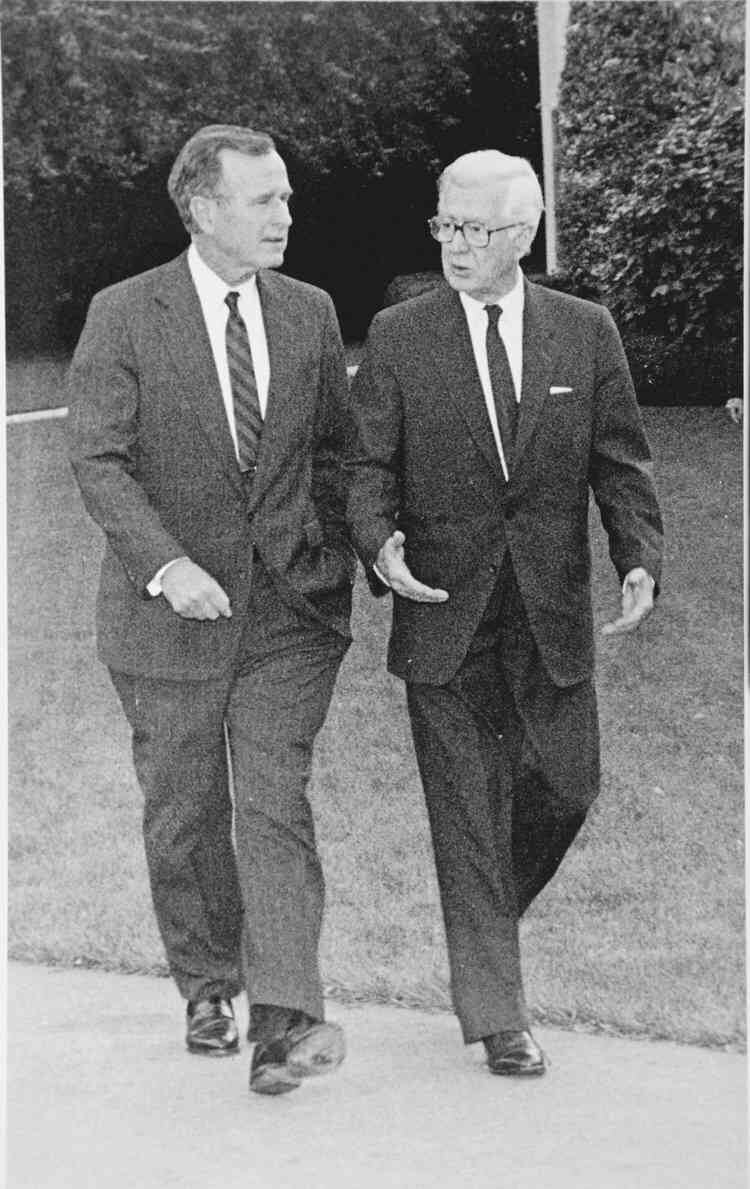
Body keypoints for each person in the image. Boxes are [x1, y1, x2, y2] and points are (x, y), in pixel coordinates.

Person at [346, 150, 663, 1077]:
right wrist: (379, 542)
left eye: (477, 229)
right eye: (445, 223)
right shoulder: (401, 335)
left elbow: (621, 461)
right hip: (443, 613)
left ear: (522, 235)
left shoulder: (585, 332)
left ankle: (479, 923)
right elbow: (365, 466)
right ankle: (498, 1012)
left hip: (549, 612)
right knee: (467, 817)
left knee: (568, 785)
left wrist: (638, 558)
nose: (455, 243)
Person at [67, 124, 356, 1096]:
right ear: (202, 208)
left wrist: (355, 539)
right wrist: (167, 564)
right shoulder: (123, 314)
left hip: (288, 611)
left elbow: (338, 454)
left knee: (274, 798)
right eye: (263, 199)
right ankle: (207, 980)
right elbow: (98, 459)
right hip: (169, 617)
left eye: (285, 198)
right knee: (185, 809)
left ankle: (284, 1018)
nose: (285, 215)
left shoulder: (310, 311)